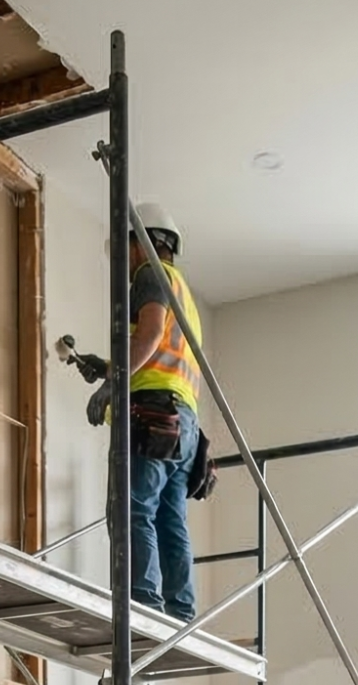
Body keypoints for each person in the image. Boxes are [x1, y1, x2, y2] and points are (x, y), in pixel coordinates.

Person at [127, 202, 203, 621]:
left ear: (140, 243)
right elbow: (161, 351)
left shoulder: (149, 273)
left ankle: (143, 603)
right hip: (184, 422)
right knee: (170, 518)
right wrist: (109, 367)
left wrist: (113, 382)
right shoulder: (183, 293)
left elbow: (152, 333)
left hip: (155, 412)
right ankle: (181, 613)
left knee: (135, 507)